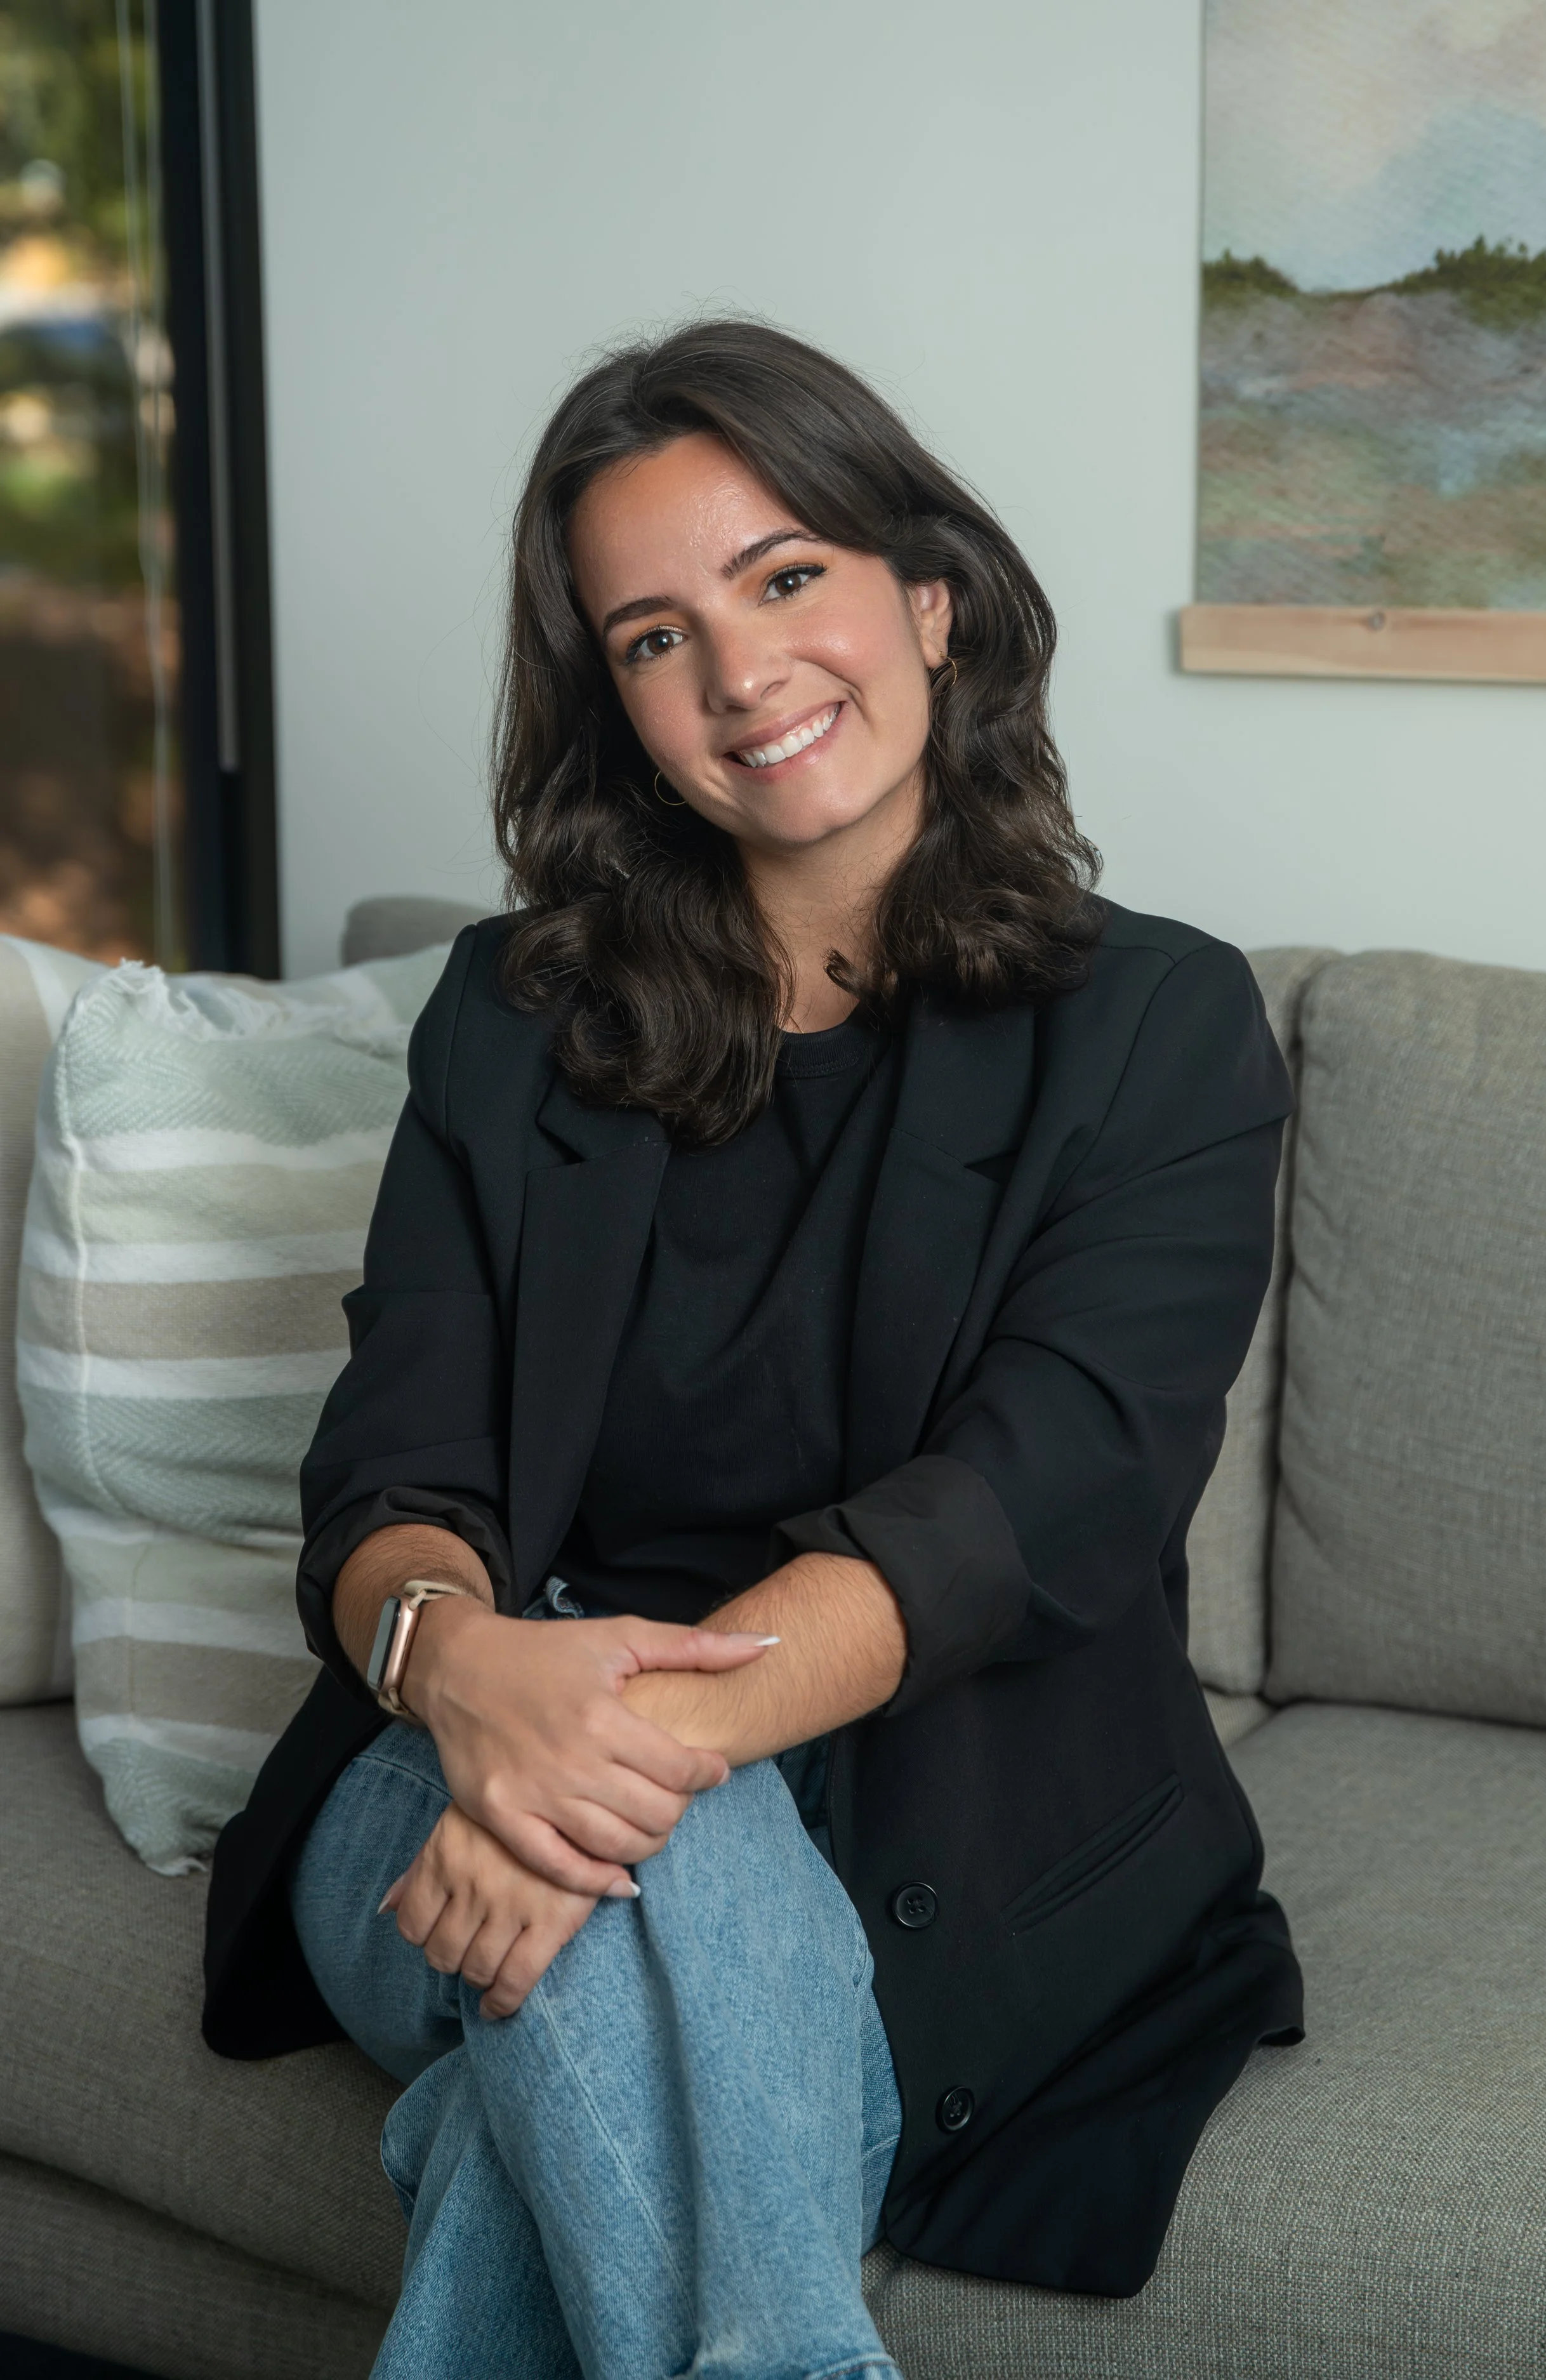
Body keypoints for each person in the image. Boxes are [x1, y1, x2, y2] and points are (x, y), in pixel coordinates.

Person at [202, 319, 1304, 2379]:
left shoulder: (1159, 1028)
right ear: (613, 710)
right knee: (660, 1876)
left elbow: (1035, 1495)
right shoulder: (504, 1014)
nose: (737, 673)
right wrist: (464, 1671)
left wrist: (625, 1762)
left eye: (784, 575)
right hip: (459, 1747)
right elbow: (388, 1469)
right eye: (649, 634)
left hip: (898, 1820)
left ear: (929, 596)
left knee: (562, 2045)